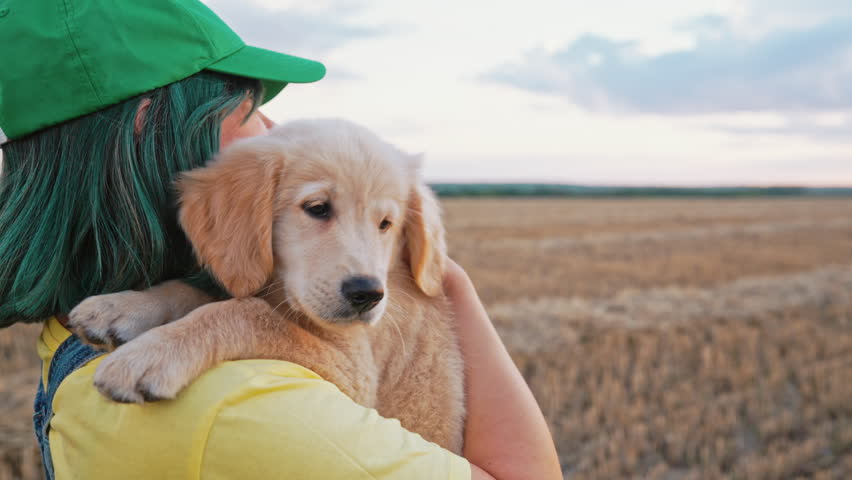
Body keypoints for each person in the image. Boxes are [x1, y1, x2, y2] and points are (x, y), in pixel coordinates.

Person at [0, 0, 562, 478]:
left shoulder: (73, 336)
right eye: (248, 106)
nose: (273, 129)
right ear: (149, 119)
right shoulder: (243, 407)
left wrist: (441, 275)